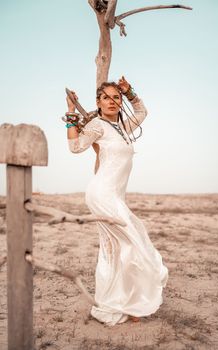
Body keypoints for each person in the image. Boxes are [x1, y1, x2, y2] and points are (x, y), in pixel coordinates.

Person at [65, 76, 168, 326]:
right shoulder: (98, 126)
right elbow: (76, 147)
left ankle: (124, 302)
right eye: (106, 97)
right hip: (102, 193)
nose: (112, 101)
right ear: (98, 103)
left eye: (116, 97)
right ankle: (125, 303)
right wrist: (71, 114)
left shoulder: (122, 127)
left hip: (115, 195)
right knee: (132, 245)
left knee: (117, 250)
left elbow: (143, 111)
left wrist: (130, 91)